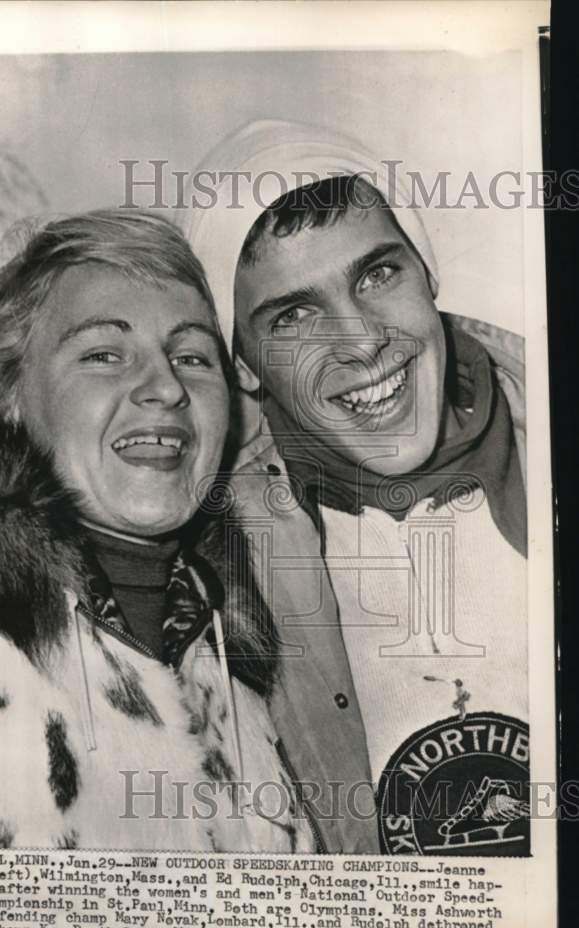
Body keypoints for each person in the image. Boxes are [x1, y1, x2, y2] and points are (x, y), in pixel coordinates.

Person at [0, 209, 318, 853]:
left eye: (193, 357)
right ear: (5, 397)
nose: (165, 386)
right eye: (103, 354)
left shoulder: (242, 681)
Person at [178, 120, 529, 855]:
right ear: (240, 363)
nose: (362, 341)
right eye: (295, 315)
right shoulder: (215, 565)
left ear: (427, 273)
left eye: (377, 275)